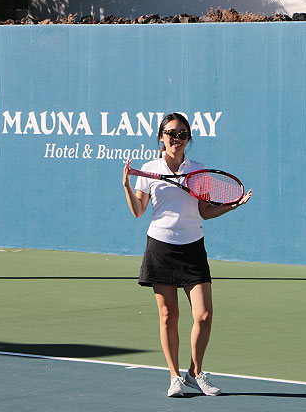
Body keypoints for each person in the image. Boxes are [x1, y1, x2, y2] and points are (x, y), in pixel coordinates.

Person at [122, 112, 252, 398]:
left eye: (182, 134)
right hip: (160, 247)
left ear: (188, 138)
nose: (176, 139)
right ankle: (174, 377)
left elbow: (204, 210)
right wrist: (127, 186)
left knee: (203, 315)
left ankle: (195, 372)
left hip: (193, 248)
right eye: (171, 133)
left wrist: (232, 205)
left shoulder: (198, 170)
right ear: (161, 136)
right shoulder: (149, 170)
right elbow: (138, 210)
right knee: (168, 316)